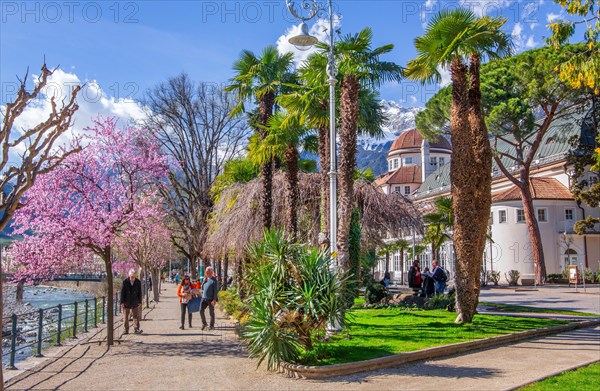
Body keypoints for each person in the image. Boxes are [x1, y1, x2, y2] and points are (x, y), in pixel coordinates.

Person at [120, 269, 143, 335]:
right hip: (126, 301)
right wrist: (122, 302)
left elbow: (139, 292)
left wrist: (140, 301)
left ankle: (136, 329)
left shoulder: (138, 282)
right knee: (125, 317)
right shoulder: (125, 282)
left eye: (133, 277)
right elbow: (122, 292)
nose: (132, 278)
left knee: (136, 316)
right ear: (129, 275)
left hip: (135, 301)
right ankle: (125, 330)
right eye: (131, 277)